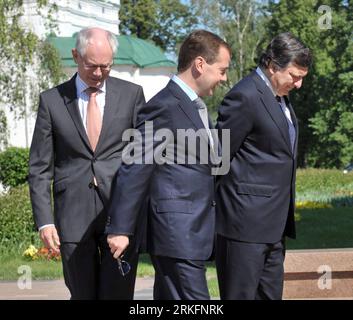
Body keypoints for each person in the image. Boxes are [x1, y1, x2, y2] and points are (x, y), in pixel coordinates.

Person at [106, 30, 231, 300]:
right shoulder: (164, 106)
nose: (224, 78)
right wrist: (120, 228)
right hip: (177, 233)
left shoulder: (196, 107)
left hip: (191, 232)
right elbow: (135, 166)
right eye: (222, 70)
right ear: (200, 64)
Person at [28, 27, 145, 299]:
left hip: (120, 215)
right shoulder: (51, 101)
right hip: (73, 216)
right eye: (92, 65)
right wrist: (45, 222)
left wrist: (133, 217)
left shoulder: (132, 95)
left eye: (106, 66)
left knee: (118, 294)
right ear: (75, 56)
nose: (99, 73)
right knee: (82, 294)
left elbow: (142, 160)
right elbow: (39, 168)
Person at [215, 32, 312, 300]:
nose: (299, 84)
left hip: (274, 227)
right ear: (272, 65)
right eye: (294, 75)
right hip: (243, 228)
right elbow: (218, 159)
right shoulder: (244, 96)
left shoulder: (281, 97)